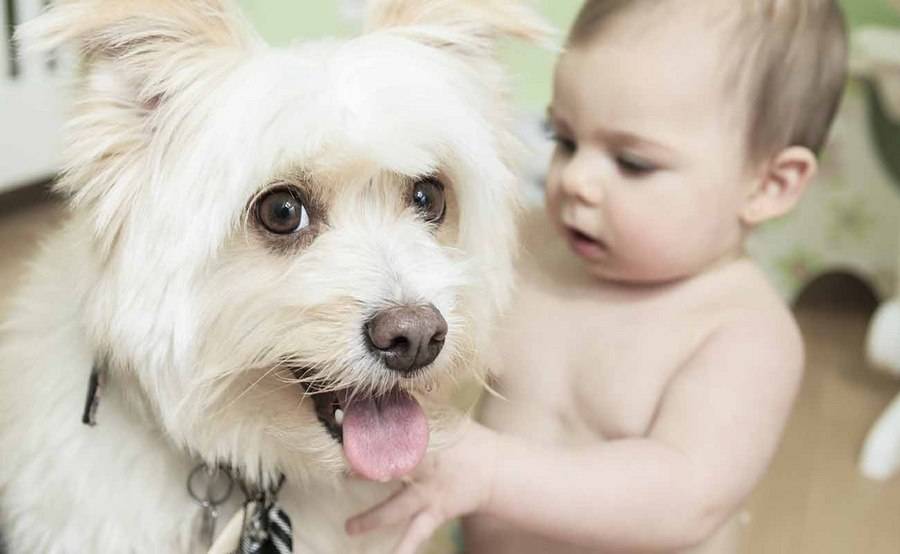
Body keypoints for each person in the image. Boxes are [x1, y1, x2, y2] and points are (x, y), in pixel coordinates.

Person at [346, 0, 849, 552]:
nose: (576, 178)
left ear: (769, 184)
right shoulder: (533, 245)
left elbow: (682, 499)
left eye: (632, 162)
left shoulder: (744, 334)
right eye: (564, 139)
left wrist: (488, 471)